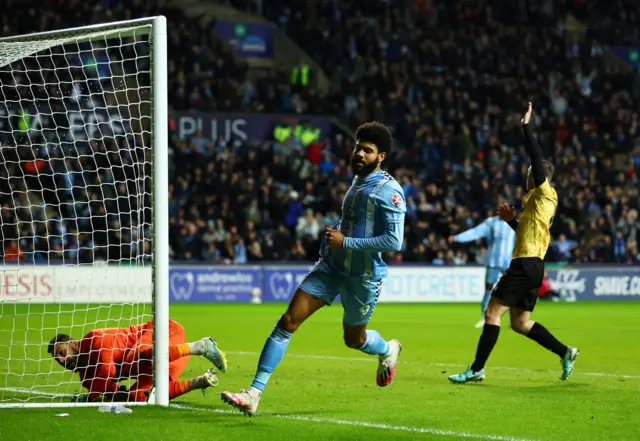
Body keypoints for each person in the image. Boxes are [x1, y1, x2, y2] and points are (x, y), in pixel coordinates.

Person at [221, 121, 406, 416]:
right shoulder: (357, 182)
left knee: (353, 340)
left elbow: (394, 241)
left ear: (381, 156)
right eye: (358, 147)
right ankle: (254, 393)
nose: (359, 154)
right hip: (331, 268)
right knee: (287, 321)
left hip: (363, 277)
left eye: (367, 150)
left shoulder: (390, 191)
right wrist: (335, 236)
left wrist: (346, 241)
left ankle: (386, 349)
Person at [449, 103, 579, 384]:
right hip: (533, 264)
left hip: (525, 263)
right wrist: (510, 221)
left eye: (529, 172)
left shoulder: (544, 191)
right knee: (520, 323)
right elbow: (527, 231)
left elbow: (536, 153)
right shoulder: (536, 202)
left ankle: (476, 369)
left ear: (536, 175)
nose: (526, 176)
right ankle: (565, 352)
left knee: (491, 311)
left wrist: (525, 126)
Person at [48, 319, 228, 402]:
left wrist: (92, 396)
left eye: (63, 352)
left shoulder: (95, 339)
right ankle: (201, 381)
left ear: (73, 343)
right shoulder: (86, 379)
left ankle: (201, 346)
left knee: (134, 357)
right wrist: (117, 396)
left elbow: (107, 372)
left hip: (166, 333)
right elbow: (114, 392)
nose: (63, 360)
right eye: (58, 359)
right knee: (140, 396)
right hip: (166, 361)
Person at [449, 214, 516, 328]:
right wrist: (457, 238)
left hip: (509, 263)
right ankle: (485, 319)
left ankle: (515, 319)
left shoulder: (515, 223)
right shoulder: (491, 222)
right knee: (488, 290)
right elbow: (475, 232)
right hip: (493, 262)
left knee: (513, 291)